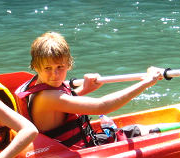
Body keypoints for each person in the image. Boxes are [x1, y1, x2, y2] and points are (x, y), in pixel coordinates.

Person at [14, 32, 169, 149]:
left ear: (68, 64)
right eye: (48, 68)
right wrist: (147, 82)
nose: (55, 74)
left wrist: (83, 89)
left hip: (75, 145)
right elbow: (102, 106)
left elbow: (58, 109)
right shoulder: (47, 96)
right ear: (35, 66)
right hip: (76, 153)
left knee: (137, 130)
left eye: (60, 67)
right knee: (142, 131)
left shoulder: (32, 85)